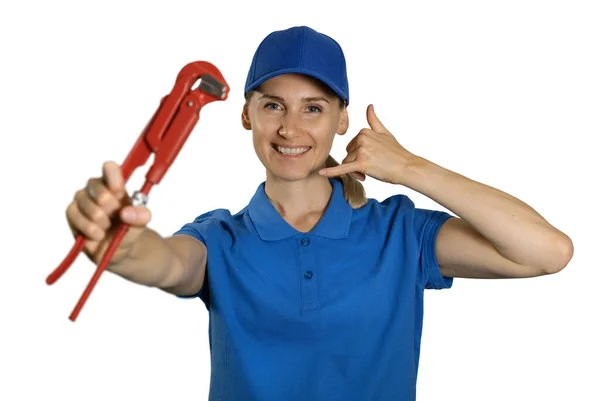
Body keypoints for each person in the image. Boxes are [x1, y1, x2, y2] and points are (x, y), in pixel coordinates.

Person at [65, 25, 574, 400]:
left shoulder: (398, 233)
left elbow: (547, 251)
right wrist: (121, 243)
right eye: (273, 106)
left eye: (313, 107)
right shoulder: (220, 237)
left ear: (341, 118)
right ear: (246, 114)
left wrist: (411, 168)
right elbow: (169, 263)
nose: (290, 129)